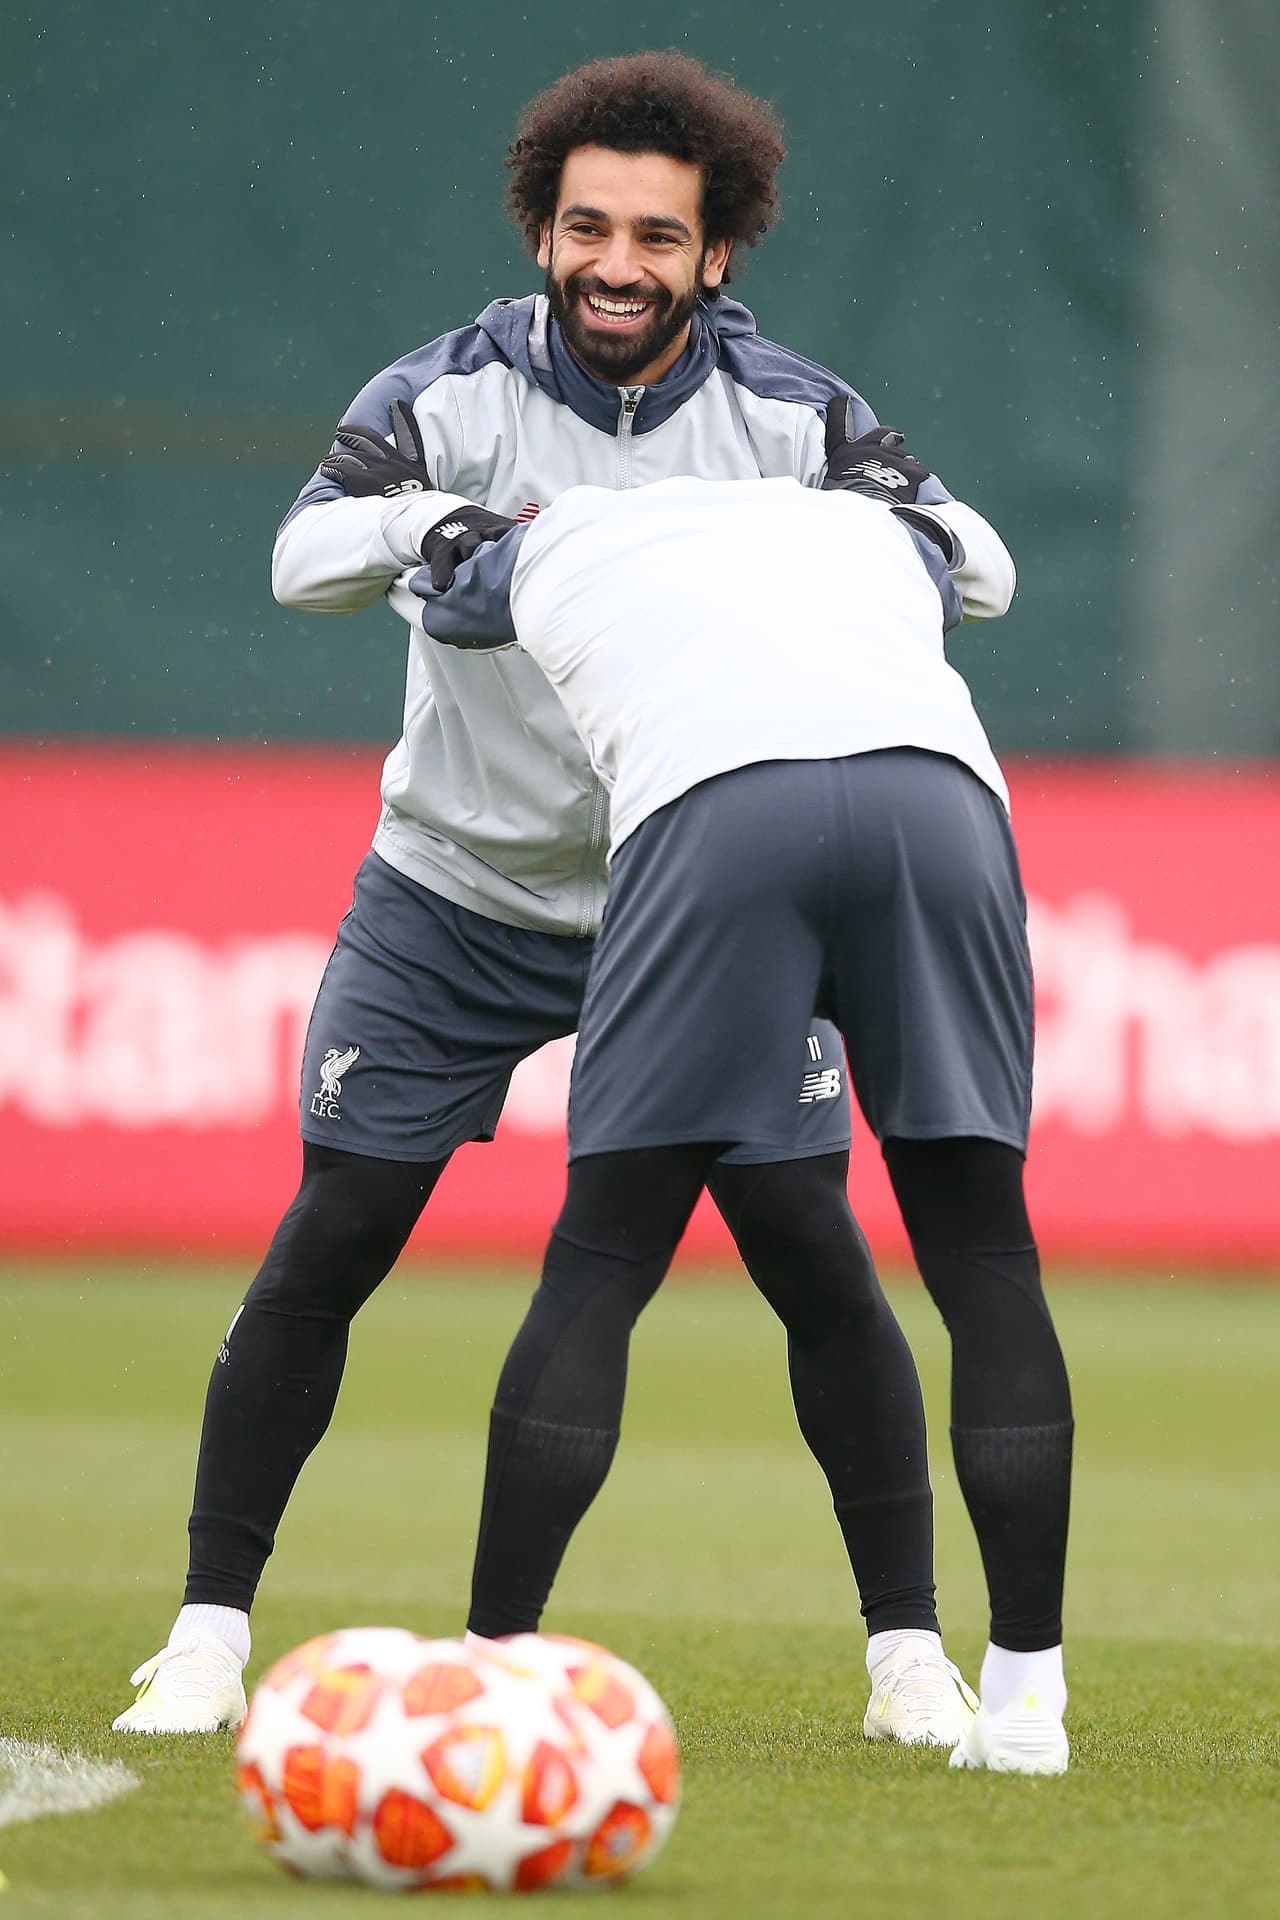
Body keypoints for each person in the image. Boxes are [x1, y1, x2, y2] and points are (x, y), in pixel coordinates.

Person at [112, 50, 1014, 1743]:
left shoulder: (796, 419)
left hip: (703, 903)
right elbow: (303, 554)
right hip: (452, 892)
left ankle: (909, 1658)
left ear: (715, 254)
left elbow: (974, 560)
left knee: (813, 1255)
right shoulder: (446, 392)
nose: (617, 264)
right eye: (587, 227)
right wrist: (431, 529)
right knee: (337, 1234)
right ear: (542, 230)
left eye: (657, 238)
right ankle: (206, 1636)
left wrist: (878, 546)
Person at [393, 450, 1073, 1776]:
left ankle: (485, 1683)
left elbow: (443, 600)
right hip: (936, 796)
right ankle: (1025, 1706)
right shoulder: (859, 522)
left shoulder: (564, 530)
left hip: (719, 805)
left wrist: (430, 524)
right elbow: (975, 569)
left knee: (604, 1258)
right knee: (984, 1255)